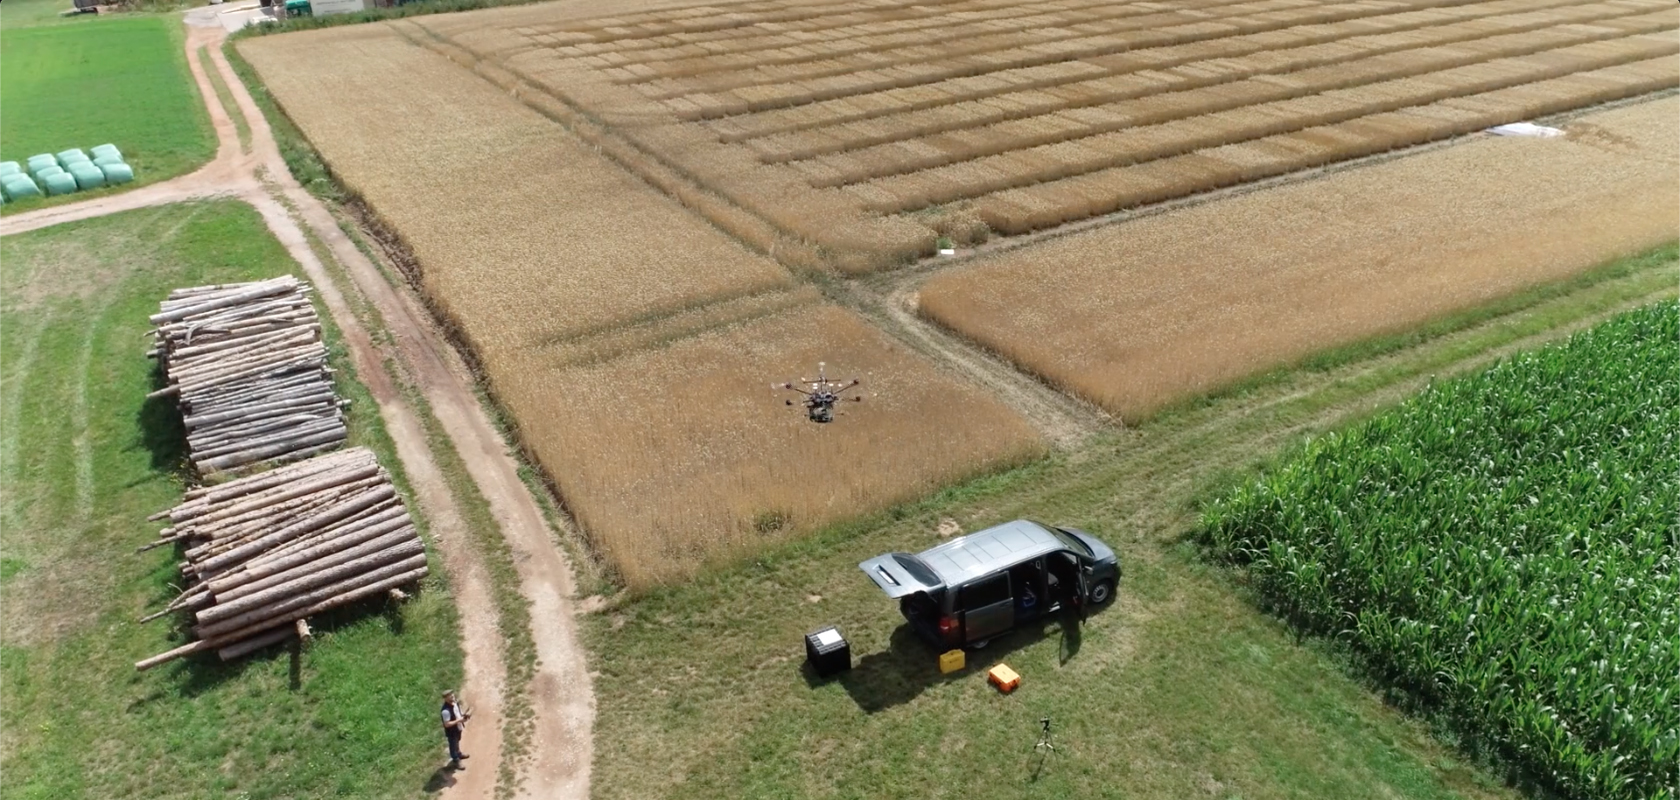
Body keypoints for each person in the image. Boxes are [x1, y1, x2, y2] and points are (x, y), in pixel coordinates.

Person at [441, 690, 471, 770]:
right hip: (452, 731)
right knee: (453, 745)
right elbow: (447, 724)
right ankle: (456, 760)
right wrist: (459, 720)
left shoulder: (455, 703)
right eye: (449, 695)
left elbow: (458, 713)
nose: (451, 696)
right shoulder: (445, 711)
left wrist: (464, 716)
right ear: (445, 698)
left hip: (458, 728)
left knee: (457, 741)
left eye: (451, 694)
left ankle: (459, 754)